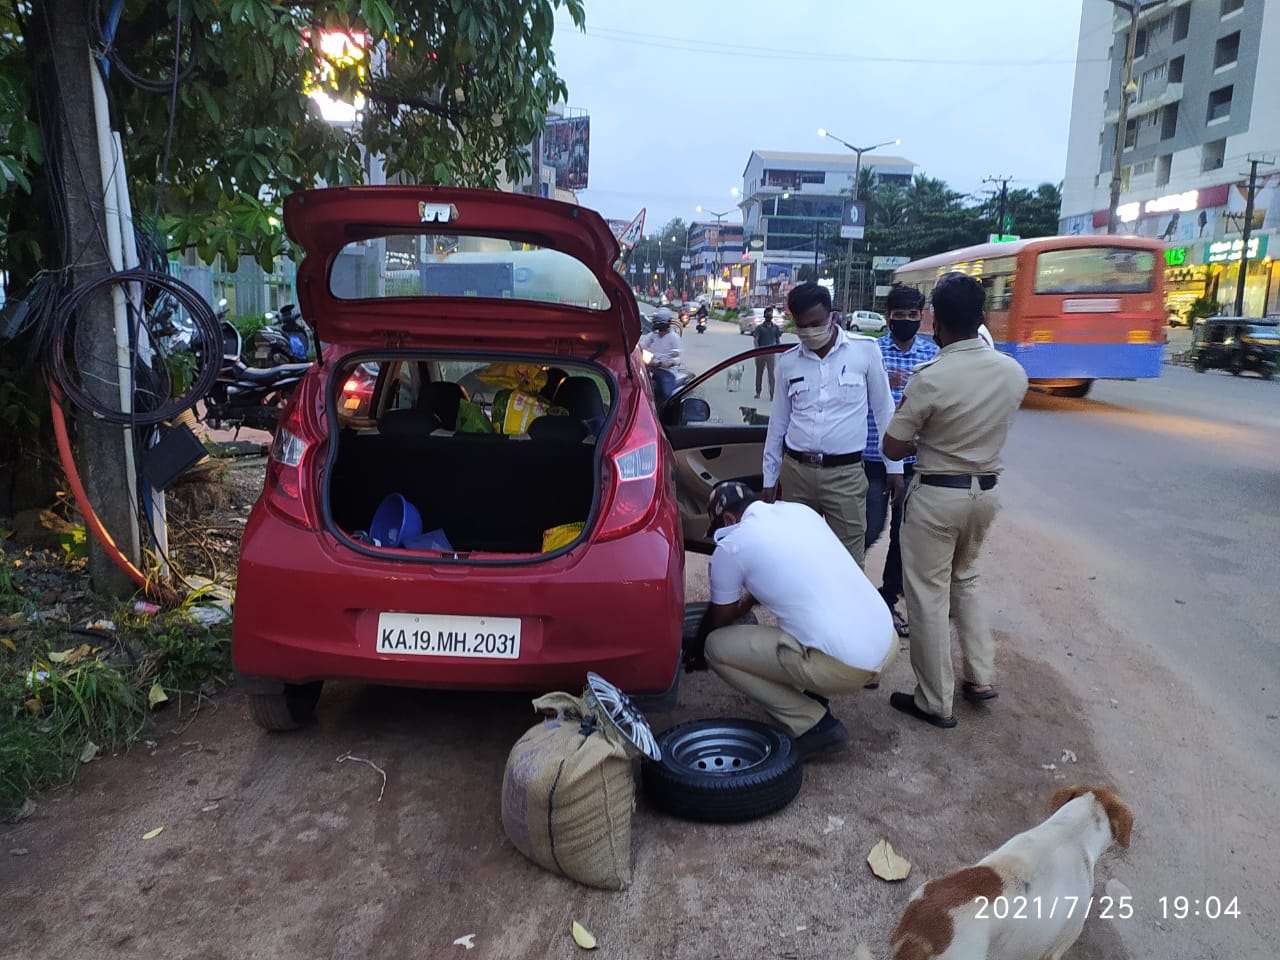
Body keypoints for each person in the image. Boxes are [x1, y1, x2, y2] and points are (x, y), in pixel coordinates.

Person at [881, 272, 1028, 729]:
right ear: (982, 318)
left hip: (937, 496)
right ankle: (980, 677)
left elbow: (892, 447)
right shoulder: (1013, 372)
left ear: (934, 322)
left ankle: (935, 700)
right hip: (986, 495)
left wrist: (925, 439)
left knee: (927, 595)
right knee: (966, 579)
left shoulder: (931, 377)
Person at [685, 481, 897, 759]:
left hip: (845, 666)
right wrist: (746, 602)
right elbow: (792, 570)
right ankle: (814, 692)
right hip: (886, 641)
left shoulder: (733, 545)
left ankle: (815, 726)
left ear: (728, 519)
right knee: (804, 614)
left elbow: (719, 619)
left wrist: (696, 650)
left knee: (715, 647)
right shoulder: (799, 512)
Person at [762, 282, 901, 569]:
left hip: (845, 476)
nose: (809, 332)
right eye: (802, 326)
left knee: (848, 562)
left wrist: (894, 466)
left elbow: (884, 410)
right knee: (796, 559)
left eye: (816, 324)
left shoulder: (865, 351)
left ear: (832, 315)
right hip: (797, 474)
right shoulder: (788, 362)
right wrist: (769, 478)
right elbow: (778, 424)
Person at [862, 284, 939, 638]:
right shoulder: (873, 353)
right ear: (888, 316)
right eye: (899, 314)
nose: (906, 320)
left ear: (921, 316)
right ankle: (848, 593)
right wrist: (881, 384)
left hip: (913, 461)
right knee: (868, 529)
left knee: (903, 536)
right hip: (873, 457)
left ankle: (888, 598)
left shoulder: (932, 355)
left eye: (912, 315)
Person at [640, 308, 683, 407]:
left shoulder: (674, 337)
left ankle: (662, 409)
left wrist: (670, 363)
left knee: (665, 392)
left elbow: (678, 356)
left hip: (666, 371)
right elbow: (642, 345)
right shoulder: (652, 336)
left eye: (658, 321)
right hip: (651, 367)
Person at [752, 306, 782, 399]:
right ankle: (758, 392)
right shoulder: (759, 328)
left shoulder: (775, 328)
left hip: (770, 354)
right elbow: (756, 340)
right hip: (760, 353)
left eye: (771, 314)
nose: (769, 316)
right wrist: (757, 350)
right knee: (759, 374)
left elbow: (778, 340)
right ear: (764, 315)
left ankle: (772, 394)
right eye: (768, 314)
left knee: (771, 375)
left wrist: (780, 349)